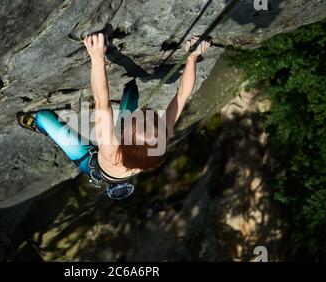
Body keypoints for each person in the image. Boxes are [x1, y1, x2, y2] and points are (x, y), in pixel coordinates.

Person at [17, 33, 210, 199]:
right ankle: (130, 94)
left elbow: (103, 102)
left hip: (90, 162)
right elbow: (182, 94)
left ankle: (37, 126)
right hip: (130, 160)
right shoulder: (159, 138)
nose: (141, 115)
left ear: (124, 137)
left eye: (134, 120)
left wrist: (97, 58)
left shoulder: (111, 151)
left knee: (43, 116)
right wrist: (192, 56)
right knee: (132, 91)